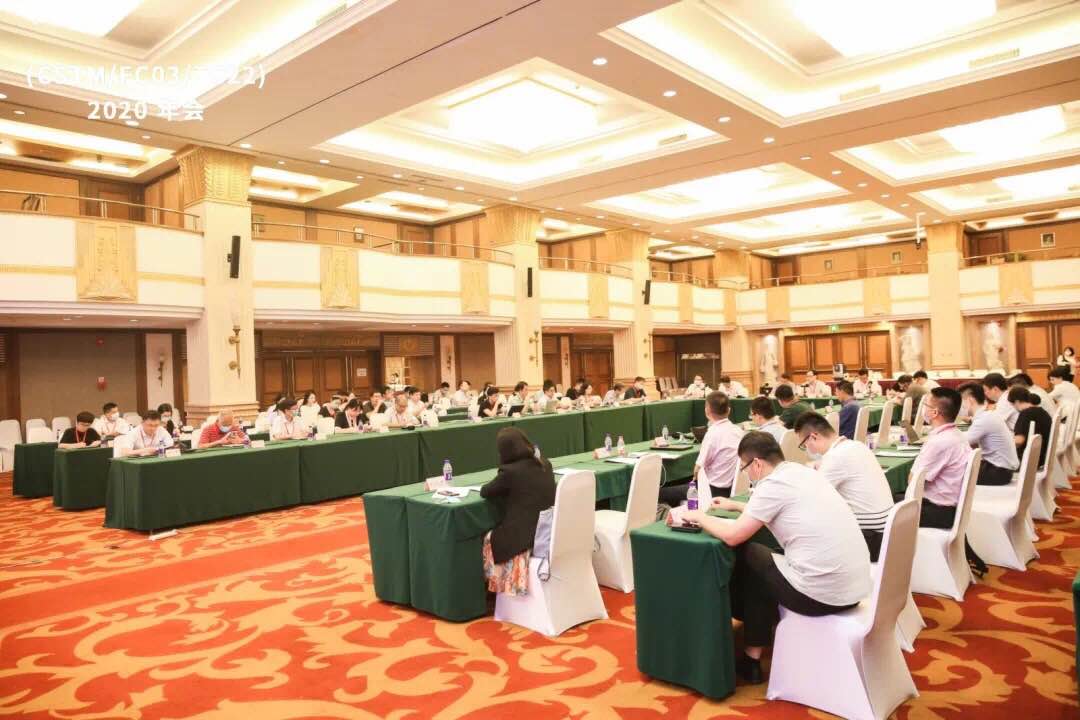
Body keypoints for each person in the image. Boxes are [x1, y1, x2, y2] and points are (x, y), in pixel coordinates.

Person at [679, 431, 871, 684]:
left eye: (745, 468)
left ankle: (749, 654)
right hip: (856, 588)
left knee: (750, 553)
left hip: (822, 595)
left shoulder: (771, 485)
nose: (747, 474)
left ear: (757, 464)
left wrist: (699, 517)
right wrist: (735, 505)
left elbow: (733, 536)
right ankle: (752, 653)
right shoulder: (800, 472)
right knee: (765, 564)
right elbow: (779, 507)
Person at [794, 412, 893, 561]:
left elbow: (811, 498)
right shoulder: (856, 445)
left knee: (807, 537)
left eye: (804, 445)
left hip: (870, 538)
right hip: (888, 532)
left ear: (813, 437)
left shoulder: (835, 458)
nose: (807, 448)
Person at [479, 428, 556, 596]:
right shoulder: (545, 463)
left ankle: (492, 590)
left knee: (488, 537)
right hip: (548, 529)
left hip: (524, 537)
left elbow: (485, 491)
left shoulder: (510, 472)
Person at [659, 392, 743, 505]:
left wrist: (693, 480)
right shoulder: (738, 431)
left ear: (707, 411)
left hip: (709, 491)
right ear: (729, 410)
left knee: (660, 493)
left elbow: (697, 469)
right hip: (728, 488)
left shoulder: (712, 434)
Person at [910, 388, 972, 528]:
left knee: (885, 507)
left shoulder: (939, 442)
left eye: (925, 405)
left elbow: (913, 482)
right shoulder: (958, 434)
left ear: (934, 412)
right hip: (951, 508)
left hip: (939, 511)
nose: (923, 408)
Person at [1009, 386, 1052, 469]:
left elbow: (1019, 441)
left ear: (1016, 402)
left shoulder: (1025, 414)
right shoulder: (1043, 412)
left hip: (1027, 461)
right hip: (1040, 458)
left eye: (1012, 405)